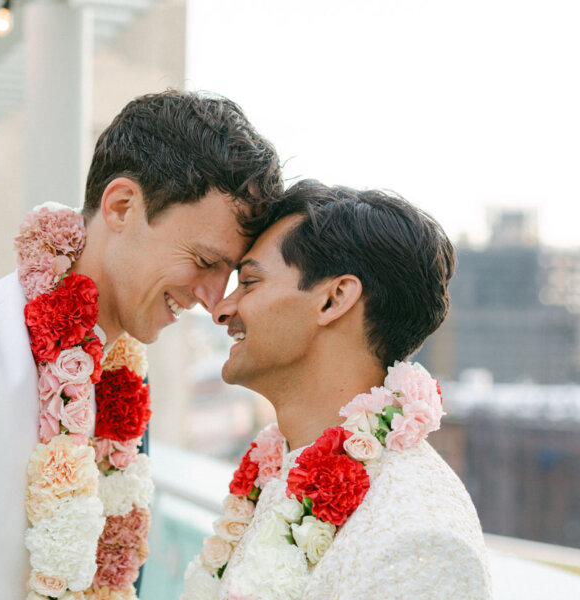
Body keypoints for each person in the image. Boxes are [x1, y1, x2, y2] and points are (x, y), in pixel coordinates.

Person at [0, 90, 283, 600]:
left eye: (228, 273)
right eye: (205, 260)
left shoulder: (120, 381)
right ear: (121, 206)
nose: (211, 297)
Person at [182, 180, 492, 600]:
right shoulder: (279, 473)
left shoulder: (419, 538)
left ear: (334, 299)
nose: (222, 309)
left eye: (250, 282)